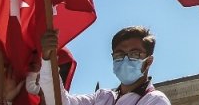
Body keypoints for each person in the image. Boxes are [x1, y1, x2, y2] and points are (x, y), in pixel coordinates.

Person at [35, 26, 171, 105]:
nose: (125, 60)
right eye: (119, 54)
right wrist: (47, 58)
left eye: (134, 54)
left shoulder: (155, 100)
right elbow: (60, 102)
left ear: (148, 61)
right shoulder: (102, 97)